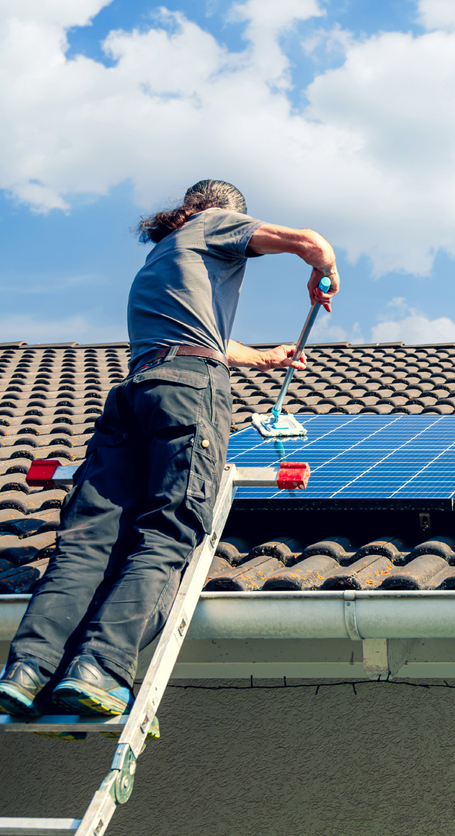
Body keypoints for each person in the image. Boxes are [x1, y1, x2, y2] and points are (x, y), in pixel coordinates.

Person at [0, 180, 339, 719]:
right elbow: (312, 242)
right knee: (169, 527)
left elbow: (210, 340)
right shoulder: (211, 224)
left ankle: (26, 671)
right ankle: (101, 668)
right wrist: (323, 275)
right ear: (214, 213)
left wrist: (266, 359)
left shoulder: (163, 258)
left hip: (136, 390)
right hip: (188, 390)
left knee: (87, 540)